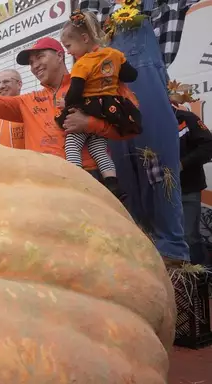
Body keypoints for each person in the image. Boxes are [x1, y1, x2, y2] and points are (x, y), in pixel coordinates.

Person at [81, 0, 190, 263]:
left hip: (147, 84)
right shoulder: (95, 7)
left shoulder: (163, 6)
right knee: (124, 171)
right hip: (110, 90)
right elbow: (82, 28)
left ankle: (172, 253)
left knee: (159, 167)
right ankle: (137, 249)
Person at [0, 36, 131, 177]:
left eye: (40, 57)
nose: (34, 65)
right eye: (31, 62)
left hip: (90, 175)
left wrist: (89, 123)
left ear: (59, 55)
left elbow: (128, 130)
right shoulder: (27, 101)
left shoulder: (91, 85)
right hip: (41, 180)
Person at [56, 10, 142, 201]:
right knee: (98, 148)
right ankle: (112, 183)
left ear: (84, 38)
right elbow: (131, 76)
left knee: (72, 145)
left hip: (88, 107)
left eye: (68, 46)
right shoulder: (115, 54)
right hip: (110, 109)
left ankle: (77, 182)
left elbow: (76, 90)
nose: (68, 52)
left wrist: (65, 103)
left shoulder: (82, 63)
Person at [169, 82, 212, 267]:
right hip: (161, 193)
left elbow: (208, 146)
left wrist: (182, 164)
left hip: (188, 189)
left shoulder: (187, 119)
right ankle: (180, 285)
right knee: (167, 237)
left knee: (189, 236)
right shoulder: (146, 125)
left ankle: (200, 278)